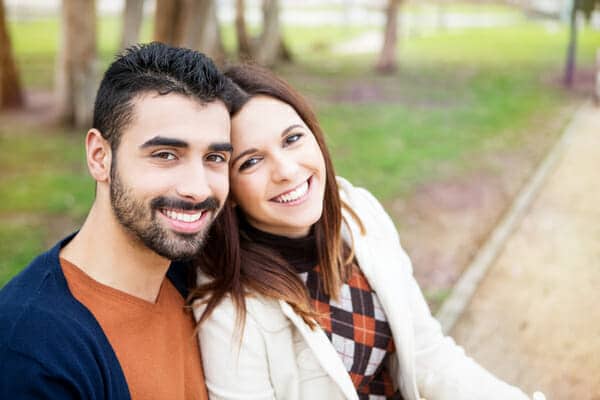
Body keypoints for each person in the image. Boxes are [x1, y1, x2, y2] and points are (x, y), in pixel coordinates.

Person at [191, 64, 546, 400]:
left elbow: (427, 354)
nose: (286, 169)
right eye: (251, 161)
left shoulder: (359, 214)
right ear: (228, 190)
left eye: (292, 139)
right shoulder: (228, 309)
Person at [0, 42, 233, 399]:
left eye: (215, 157)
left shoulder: (195, 277)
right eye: (166, 154)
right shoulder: (31, 352)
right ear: (99, 157)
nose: (197, 189)